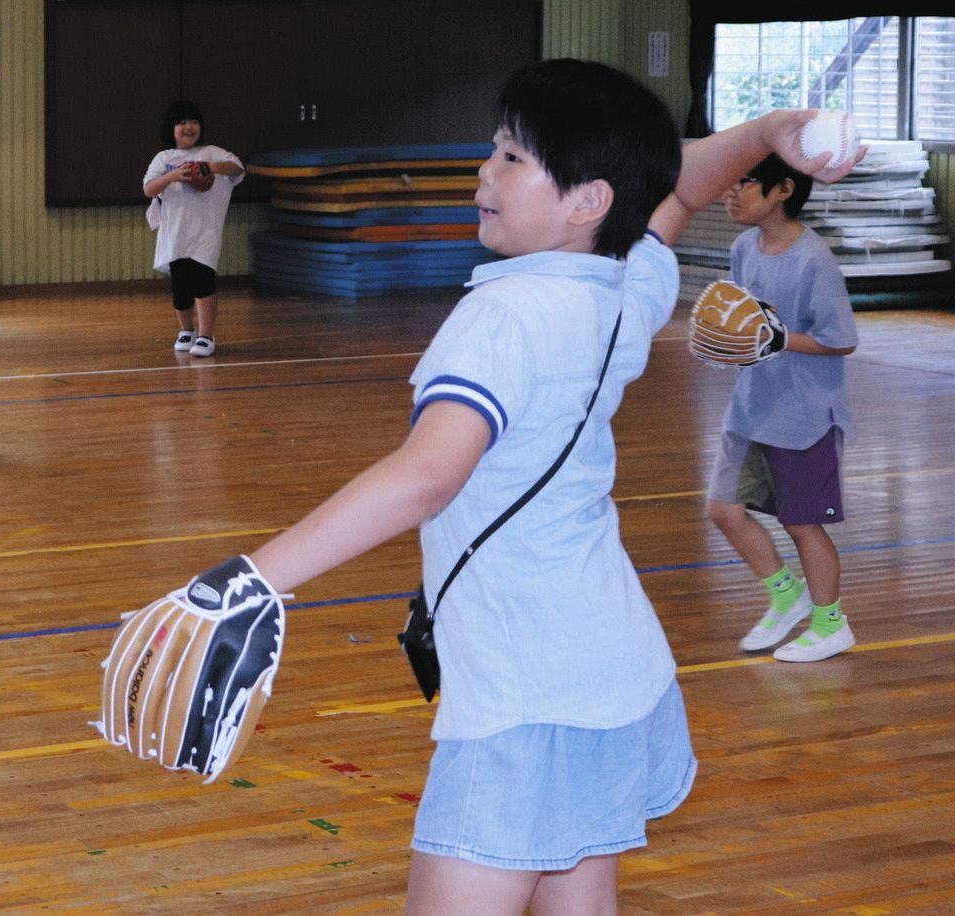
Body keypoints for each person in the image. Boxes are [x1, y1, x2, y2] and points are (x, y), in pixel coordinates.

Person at [147, 61, 862, 913]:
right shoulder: (618, 287)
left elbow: (426, 476)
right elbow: (671, 195)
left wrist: (251, 580)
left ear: (588, 201)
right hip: (615, 673)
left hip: (523, 699)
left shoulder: (501, 318)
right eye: (493, 151)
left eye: (514, 159)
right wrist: (764, 131)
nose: (486, 171)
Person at [706, 154, 859, 663]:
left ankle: (830, 624)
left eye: (743, 183)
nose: (729, 192)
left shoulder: (814, 260)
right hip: (750, 406)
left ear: (782, 190)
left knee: (801, 523)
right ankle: (785, 594)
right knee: (724, 510)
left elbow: (841, 340)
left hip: (804, 416)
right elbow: (746, 325)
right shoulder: (742, 247)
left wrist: (777, 338)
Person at [142, 100, 244, 357]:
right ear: (171, 128)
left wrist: (207, 167)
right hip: (174, 234)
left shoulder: (212, 152)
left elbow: (237, 167)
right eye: (182, 122)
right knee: (181, 286)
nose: (189, 127)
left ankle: (206, 335)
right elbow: (148, 188)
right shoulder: (164, 158)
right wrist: (173, 176)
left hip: (205, 232)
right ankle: (186, 330)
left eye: (194, 121)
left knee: (202, 280)